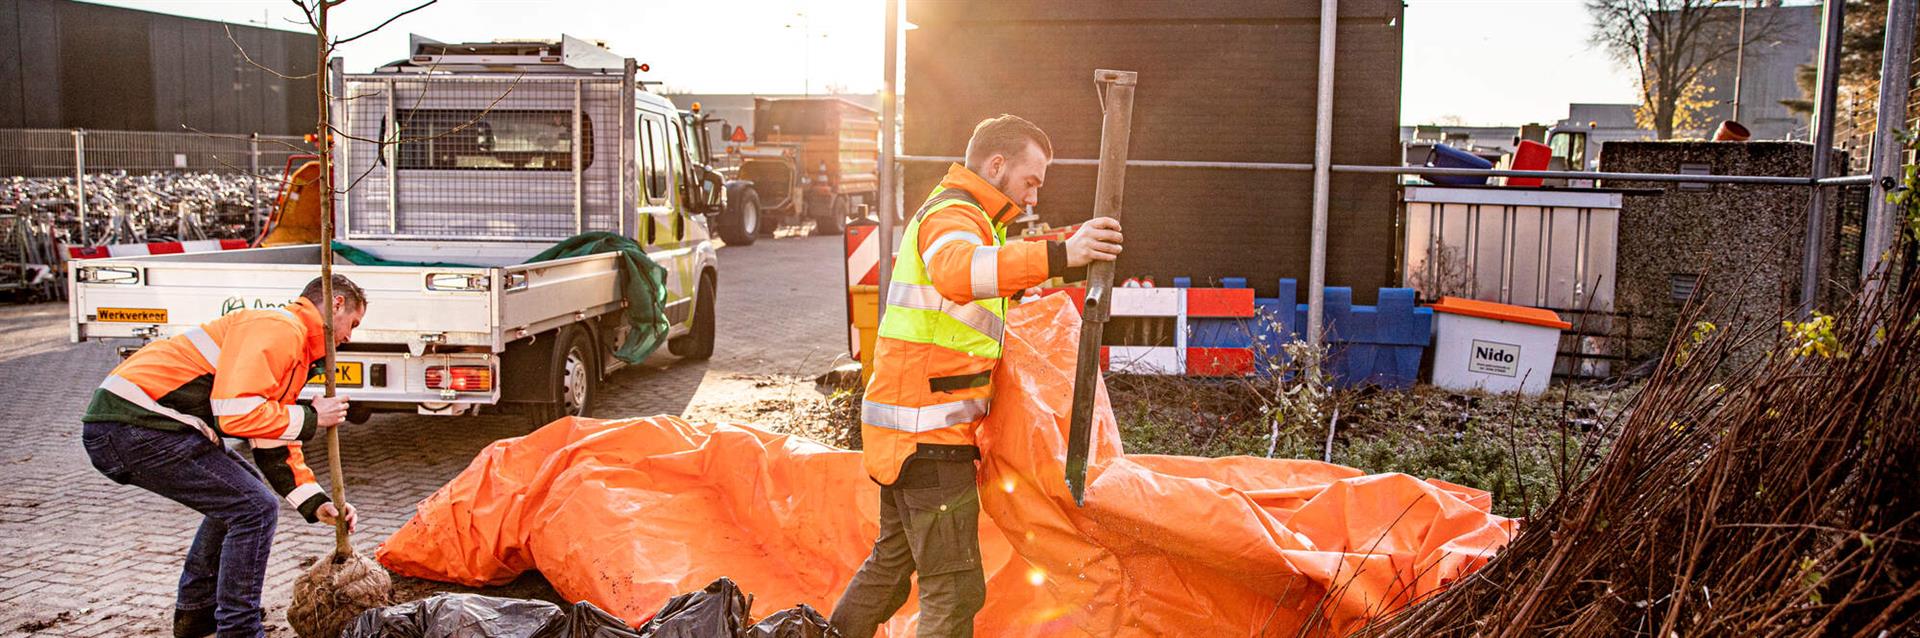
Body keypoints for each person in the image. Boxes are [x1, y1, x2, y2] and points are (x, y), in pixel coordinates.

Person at [830, 115, 1125, 636]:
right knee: (954, 589)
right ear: (996, 165)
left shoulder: (969, 219)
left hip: (908, 433)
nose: (1033, 197)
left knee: (891, 571)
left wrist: (1069, 249)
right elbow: (958, 271)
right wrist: (1063, 254)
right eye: (1030, 180)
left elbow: (988, 275)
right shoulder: (955, 216)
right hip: (929, 439)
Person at [81, 275, 366, 638]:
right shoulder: (281, 329)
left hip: (139, 424)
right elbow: (234, 413)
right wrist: (313, 417)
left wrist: (316, 502)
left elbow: (270, 435)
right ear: (336, 303)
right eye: (353, 324)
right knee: (254, 507)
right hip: (131, 424)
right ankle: (239, 630)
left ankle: (198, 615)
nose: (349, 336)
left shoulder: (292, 344)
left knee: (241, 499)